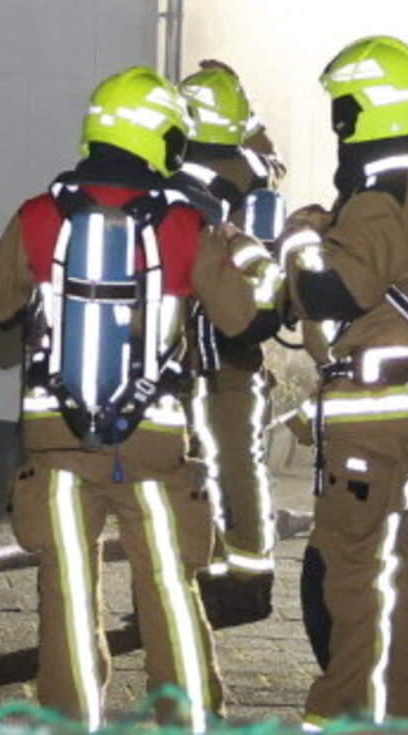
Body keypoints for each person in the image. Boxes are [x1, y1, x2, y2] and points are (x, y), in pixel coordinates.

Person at [0, 68, 273, 731]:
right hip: (153, 445)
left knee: (67, 594)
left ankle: (70, 719)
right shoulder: (187, 220)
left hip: (56, 444)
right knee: (168, 585)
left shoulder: (40, 214)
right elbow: (243, 321)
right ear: (162, 136)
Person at [277, 34, 408, 723]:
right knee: (401, 574)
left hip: (375, 427)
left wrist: (299, 243)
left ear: (359, 113)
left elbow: (338, 292)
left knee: (351, 580)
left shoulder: (382, 194)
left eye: (341, 108)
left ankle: (336, 715)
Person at [171, 60, 290, 621]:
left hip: (190, 343)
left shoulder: (175, 175)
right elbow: (272, 156)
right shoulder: (254, 170)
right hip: (239, 343)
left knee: (197, 459)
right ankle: (249, 577)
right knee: (241, 461)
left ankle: (206, 572)